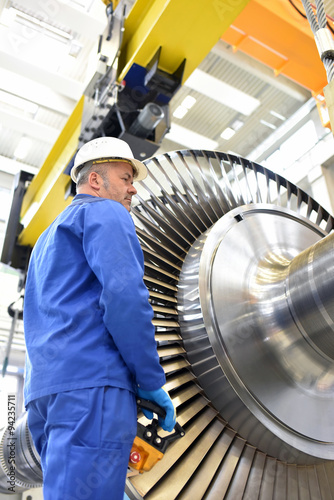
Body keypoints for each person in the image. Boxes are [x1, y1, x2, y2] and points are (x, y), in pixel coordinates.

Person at [23, 137, 176, 500]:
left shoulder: (47, 239)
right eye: (125, 178)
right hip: (92, 388)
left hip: (46, 395)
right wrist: (150, 379)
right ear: (95, 180)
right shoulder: (105, 213)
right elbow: (125, 296)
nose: (133, 189)